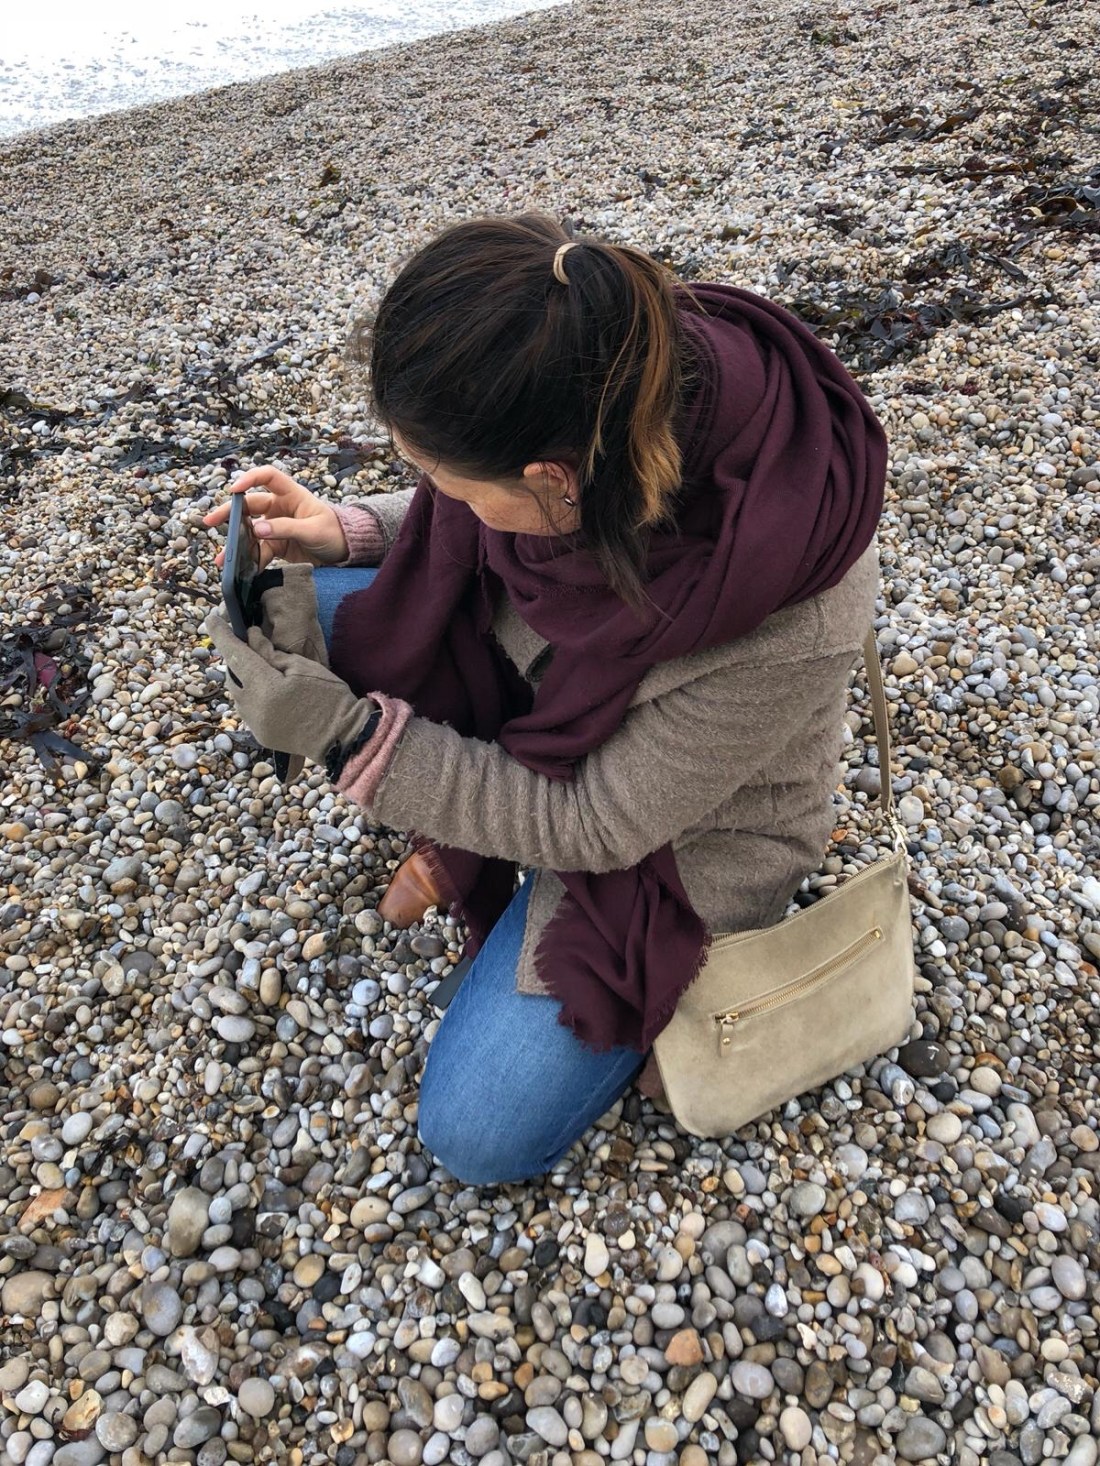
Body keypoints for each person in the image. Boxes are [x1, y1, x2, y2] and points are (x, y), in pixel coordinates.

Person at [203, 212, 886, 1185]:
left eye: (438, 479)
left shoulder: (786, 612)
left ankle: (595, 947)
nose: (430, 495)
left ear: (555, 484)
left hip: (677, 838)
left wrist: (354, 738)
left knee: (475, 1133)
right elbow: (470, 513)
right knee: (300, 609)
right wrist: (347, 530)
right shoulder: (591, 364)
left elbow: (595, 823)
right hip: (546, 684)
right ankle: (468, 837)